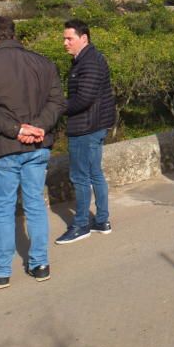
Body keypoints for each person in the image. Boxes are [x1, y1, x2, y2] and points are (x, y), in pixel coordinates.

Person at [0, 15, 66, 289]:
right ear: (13, 34)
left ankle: (0, 272)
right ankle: (40, 265)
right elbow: (57, 102)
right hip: (37, 146)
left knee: (2, 210)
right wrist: (36, 127)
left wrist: (16, 130)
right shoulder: (43, 62)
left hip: (3, 148)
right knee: (35, 204)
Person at [56, 19, 117, 245]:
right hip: (94, 126)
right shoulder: (87, 60)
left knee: (80, 177)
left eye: (69, 38)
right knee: (94, 174)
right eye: (64, 38)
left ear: (84, 38)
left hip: (86, 127)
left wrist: (57, 106)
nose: (65, 43)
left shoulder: (89, 62)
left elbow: (83, 99)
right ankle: (101, 221)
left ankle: (81, 225)